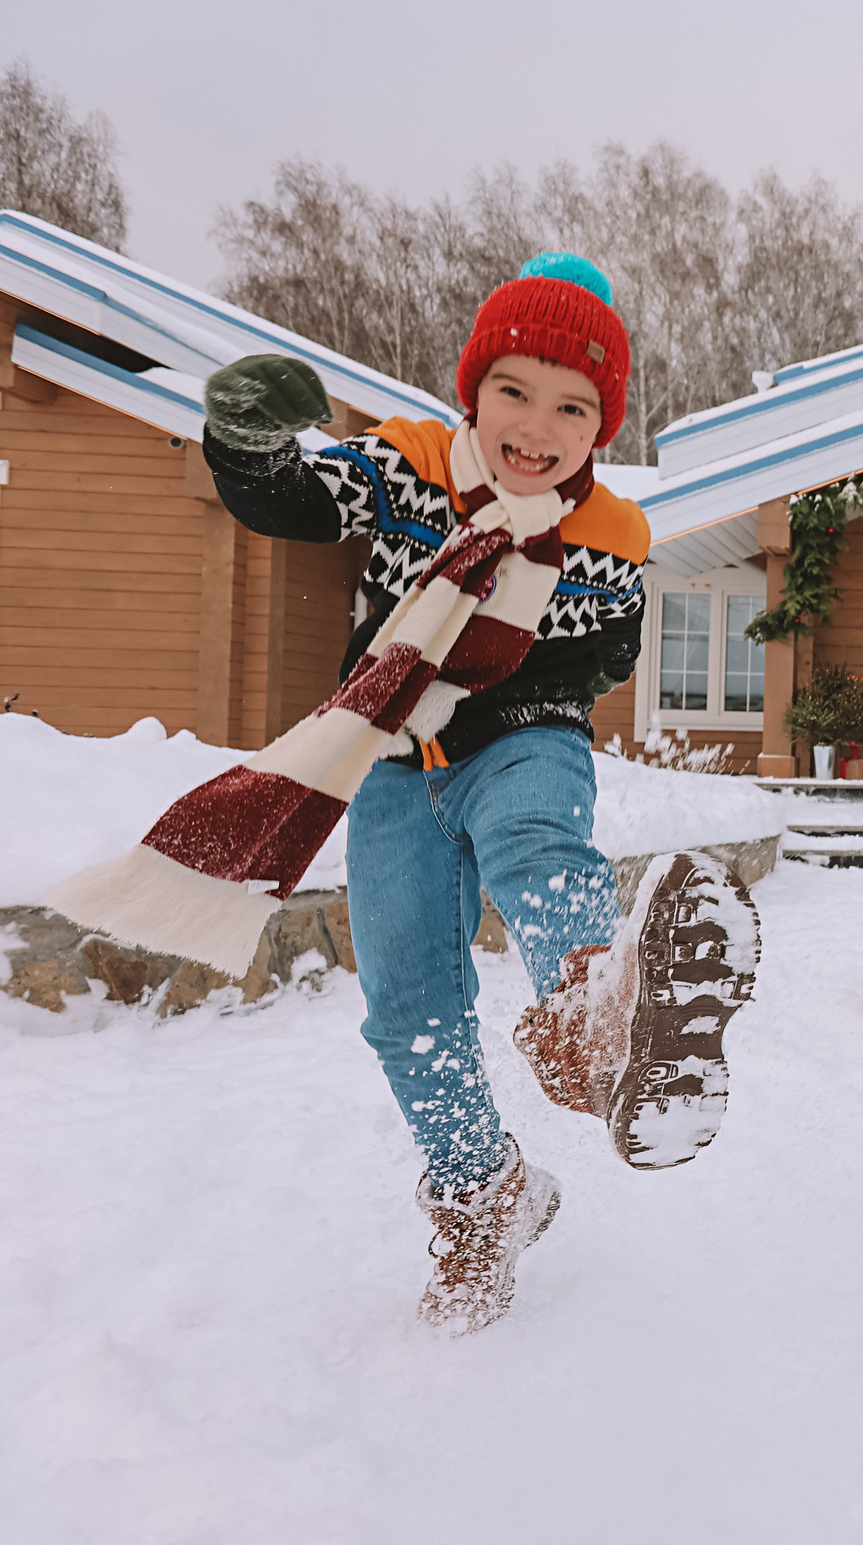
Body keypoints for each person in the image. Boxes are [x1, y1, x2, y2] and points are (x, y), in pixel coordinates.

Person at [47, 252, 761, 1336]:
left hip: (524, 734)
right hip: (387, 762)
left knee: (536, 838)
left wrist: (505, 674)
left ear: (601, 426)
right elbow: (300, 501)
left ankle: (595, 1013)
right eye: (515, 390)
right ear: (474, 389)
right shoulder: (412, 464)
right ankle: (484, 1198)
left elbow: (606, 653)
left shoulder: (613, 531)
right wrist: (249, 442)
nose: (538, 425)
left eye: (573, 407)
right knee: (408, 1010)